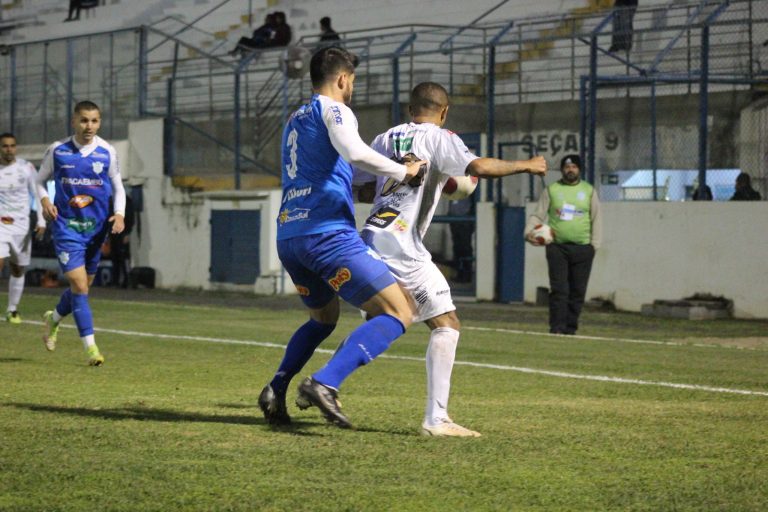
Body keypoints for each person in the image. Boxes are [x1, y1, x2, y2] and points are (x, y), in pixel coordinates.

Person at [356, 82, 546, 437]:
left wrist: (422, 183)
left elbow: (362, 186)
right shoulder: (440, 137)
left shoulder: (385, 138)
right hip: (402, 243)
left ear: (410, 108)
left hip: (372, 236)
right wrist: (527, 165)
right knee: (447, 323)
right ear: (444, 112)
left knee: (389, 317)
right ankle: (436, 419)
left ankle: (324, 382)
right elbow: (480, 167)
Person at [257, 47, 425, 429]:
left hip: (291, 234)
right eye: (353, 82)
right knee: (401, 310)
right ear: (343, 79)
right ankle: (325, 383)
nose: (353, 89)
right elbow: (354, 152)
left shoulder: (295, 119)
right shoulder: (335, 109)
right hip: (326, 233)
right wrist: (404, 171)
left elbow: (329, 171)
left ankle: (276, 387)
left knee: (323, 318)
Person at [36, 100, 127, 366]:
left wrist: (119, 214)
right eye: (84, 120)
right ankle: (91, 349)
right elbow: (39, 180)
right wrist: (45, 201)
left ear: (99, 122)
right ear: (74, 121)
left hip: (96, 230)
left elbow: (118, 187)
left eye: (94, 120)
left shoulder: (107, 152)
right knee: (79, 287)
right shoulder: (58, 150)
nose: (89, 126)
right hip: (67, 228)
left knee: (82, 287)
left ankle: (53, 319)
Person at [525, 154, 602, 335]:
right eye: (567, 167)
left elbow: (596, 218)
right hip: (557, 247)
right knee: (559, 290)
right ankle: (557, 328)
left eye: (574, 167)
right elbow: (538, 215)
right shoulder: (552, 190)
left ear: (579, 170)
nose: (570, 170)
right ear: (562, 170)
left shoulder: (589, 191)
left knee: (578, 291)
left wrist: (594, 246)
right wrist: (528, 232)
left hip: (583, 248)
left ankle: (570, 329)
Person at [0, 133, 47, 323]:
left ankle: (12, 309)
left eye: (12, 146)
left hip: (21, 226)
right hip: (1, 224)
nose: (9, 149)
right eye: (5, 146)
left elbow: (38, 193)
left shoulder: (26, 168)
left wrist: (42, 221)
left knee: (18, 269)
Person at [109, 193, 134, 287]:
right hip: (113, 233)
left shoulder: (127, 201)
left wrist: (127, 233)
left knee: (124, 257)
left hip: (123, 232)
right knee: (114, 256)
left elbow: (130, 218)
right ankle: (115, 280)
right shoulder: (111, 200)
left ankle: (127, 280)